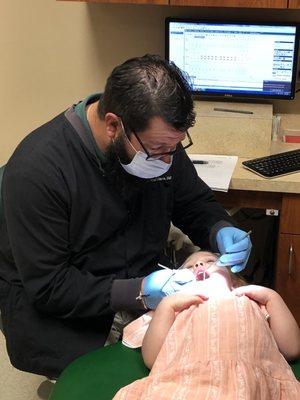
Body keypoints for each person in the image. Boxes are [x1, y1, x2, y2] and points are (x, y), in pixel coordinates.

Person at [0, 54, 251, 377]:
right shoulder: (38, 171)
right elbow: (51, 287)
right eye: (158, 150)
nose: (166, 161)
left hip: (138, 288)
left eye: (174, 148)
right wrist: (140, 290)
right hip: (68, 312)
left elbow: (193, 201)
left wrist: (219, 227)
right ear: (113, 125)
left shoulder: (160, 145)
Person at [114, 254, 300, 399]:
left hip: (255, 385)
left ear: (233, 280)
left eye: (210, 261)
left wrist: (271, 297)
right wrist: (166, 306)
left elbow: (291, 348)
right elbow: (152, 359)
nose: (198, 265)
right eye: (188, 267)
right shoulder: (175, 309)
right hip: (185, 383)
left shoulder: (251, 301)